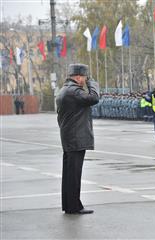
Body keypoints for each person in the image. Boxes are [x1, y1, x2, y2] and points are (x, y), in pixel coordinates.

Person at [56, 64, 99, 214]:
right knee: (74, 174)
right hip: (75, 138)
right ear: (79, 77)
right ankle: (74, 206)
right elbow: (93, 98)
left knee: (69, 174)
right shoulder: (74, 91)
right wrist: (93, 84)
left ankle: (70, 205)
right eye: (85, 78)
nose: (86, 80)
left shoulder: (65, 90)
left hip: (70, 137)